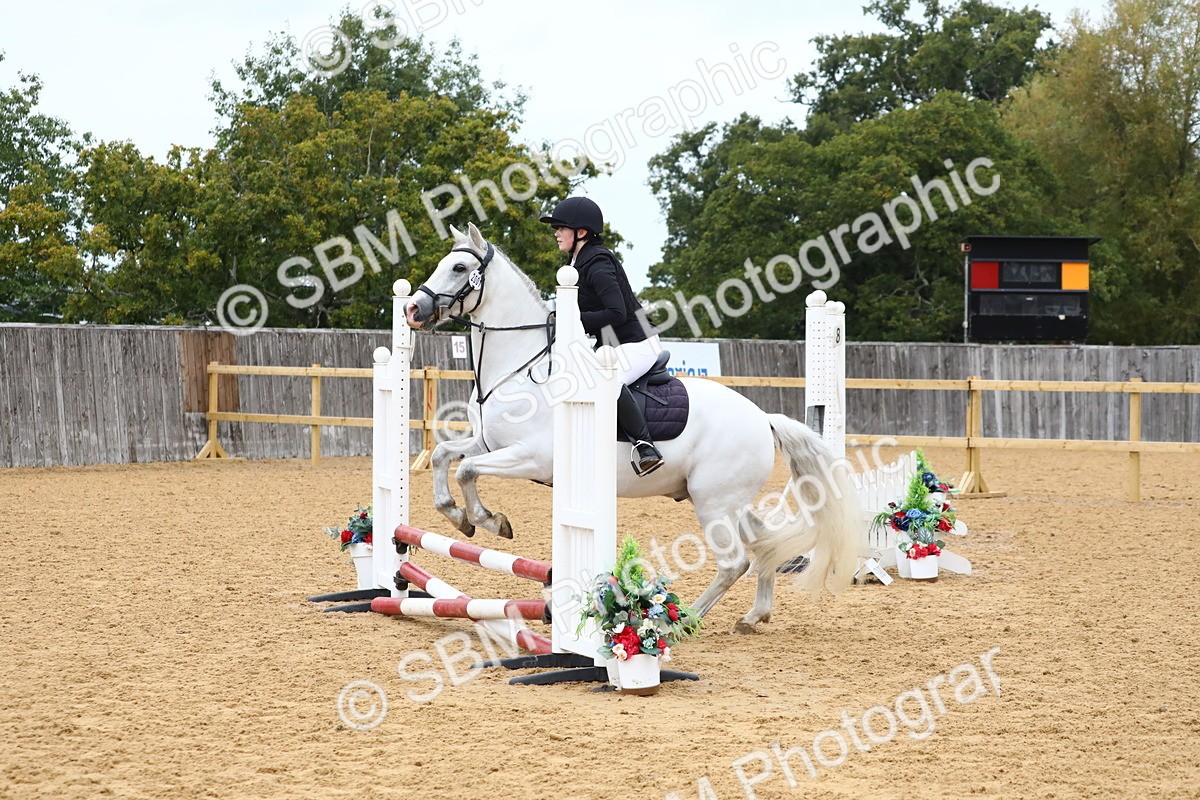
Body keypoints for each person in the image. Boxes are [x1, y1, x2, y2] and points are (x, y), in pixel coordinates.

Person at [540, 196, 664, 476]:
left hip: (637, 343)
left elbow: (617, 313)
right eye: (555, 228)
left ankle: (646, 447)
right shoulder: (577, 264)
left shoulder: (598, 263)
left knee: (606, 379)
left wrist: (573, 319)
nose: (556, 233)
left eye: (561, 228)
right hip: (611, 344)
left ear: (581, 232)